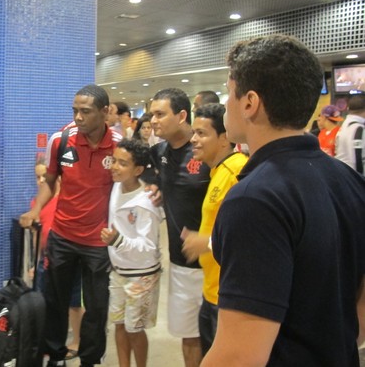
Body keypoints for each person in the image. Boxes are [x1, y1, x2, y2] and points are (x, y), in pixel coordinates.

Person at [201, 35, 365, 366]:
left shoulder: (253, 199)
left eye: (228, 92)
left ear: (249, 102)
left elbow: (239, 357)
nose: (226, 105)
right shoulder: (351, 181)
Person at [20, 84, 122, 367]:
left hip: (98, 241)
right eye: (75, 110)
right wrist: (37, 210)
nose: (78, 117)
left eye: (85, 111)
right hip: (63, 236)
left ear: (104, 112)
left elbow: (129, 183)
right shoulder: (61, 140)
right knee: (54, 301)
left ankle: (90, 359)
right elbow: (50, 181)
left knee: (97, 307)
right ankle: (54, 356)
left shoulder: (118, 144)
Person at [147, 87, 210, 367]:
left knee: (217, 335)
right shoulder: (157, 151)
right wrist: (156, 187)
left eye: (160, 114)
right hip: (181, 262)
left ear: (182, 115)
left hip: (214, 261)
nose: (153, 120)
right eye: (151, 115)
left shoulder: (208, 152)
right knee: (189, 335)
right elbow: (151, 178)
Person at [180, 103, 248, 356]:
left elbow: (249, 239)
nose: (194, 140)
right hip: (212, 291)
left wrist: (206, 243)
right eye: (193, 133)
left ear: (224, 138)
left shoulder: (237, 172)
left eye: (202, 133)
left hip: (228, 297)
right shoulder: (217, 171)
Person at [100, 139, 163, 367]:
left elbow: (148, 248)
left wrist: (118, 240)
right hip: (118, 270)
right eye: (114, 160)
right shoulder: (116, 187)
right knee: (118, 324)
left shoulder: (147, 202)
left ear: (137, 170)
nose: (115, 167)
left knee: (134, 329)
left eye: (122, 163)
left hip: (142, 275)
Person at [32, 155, 85, 360]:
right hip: (47, 259)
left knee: (73, 302)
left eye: (44, 176)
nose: (41, 181)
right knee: (46, 301)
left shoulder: (68, 201)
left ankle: (78, 340)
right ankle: (47, 338)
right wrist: (36, 263)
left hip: (70, 258)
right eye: (37, 177)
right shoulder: (38, 202)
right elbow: (38, 236)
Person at [335, 94, 365, 174]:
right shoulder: (359, 129)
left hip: (344, 175)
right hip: (354, 179)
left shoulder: (344, 126)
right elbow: (357, 160)